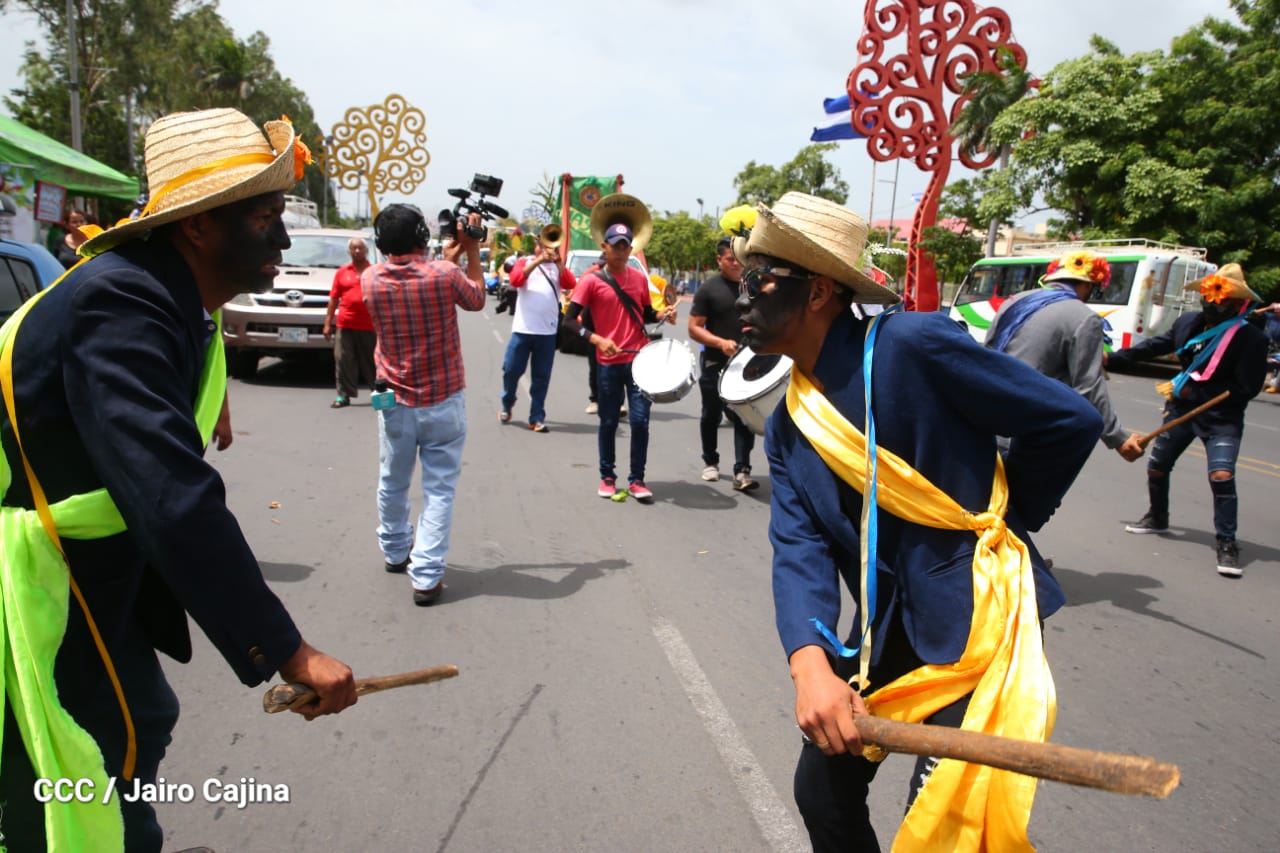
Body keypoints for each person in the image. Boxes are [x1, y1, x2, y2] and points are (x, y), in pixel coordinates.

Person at [0, 107, 357, 852]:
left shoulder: (164, 296)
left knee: (131, 723)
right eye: (264, 218)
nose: (283, 240)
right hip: (49, 574)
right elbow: (171, 494)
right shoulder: (121, 301)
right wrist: (290, 650)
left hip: (93, 561)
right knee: (96, 745)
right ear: (196, 226)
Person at [734, 193, 1101, 851]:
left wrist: (1001, 522)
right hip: (888, 631)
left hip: (978, 614)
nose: (742, 296)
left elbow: (1069, 419)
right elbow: (798, 547)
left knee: (945, 817)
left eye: (759, 279)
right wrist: (810, 665)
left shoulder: (909, 344)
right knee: (821, 790)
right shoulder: (789, 425)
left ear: (817, 291)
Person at [1107, 263, 1267, 577]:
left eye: (1223, 299)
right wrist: (1113, 359)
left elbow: (1247, 387)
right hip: (1181, 410)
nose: (1213, 303)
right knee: (1157, 466)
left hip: (1221, 416)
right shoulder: (1188, 323)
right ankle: (1157, 517)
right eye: (1210, 296)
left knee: (1221, 475)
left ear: (1237, 304)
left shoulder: (1250, 338)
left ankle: (1227, 542)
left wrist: (1199, 394)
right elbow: (1155, 346)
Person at [361, 203, 485, 605]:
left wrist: (450, 255)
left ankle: (395, 551)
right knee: (439, 490)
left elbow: (422, 276)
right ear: (421, 236)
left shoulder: (370, 278)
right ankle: (427, 576)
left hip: (395, 400)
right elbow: (476, 298)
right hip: (443, 398)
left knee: (392, 480)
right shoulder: (444, 274)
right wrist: (471, 250)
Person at [985, 249, 1145, 462]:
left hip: (986, 420)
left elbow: (986, 354)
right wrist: (1119, 438)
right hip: (1028, 434)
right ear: (1087, 285)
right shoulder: (1084, 318)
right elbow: (1088, 387)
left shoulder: (1014, 301)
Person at [563, 221, 675, 502]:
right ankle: (607, 476)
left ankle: (637, 480)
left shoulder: (638, 279)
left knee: (640, 422)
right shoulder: (591, 280)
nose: (621, 251)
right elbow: (569, 321)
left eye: (626, 246)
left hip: (639, 361)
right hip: (608, 362)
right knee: (609, 421)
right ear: (605, 247)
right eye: (616, 246)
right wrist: (597, 339)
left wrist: (663, 314)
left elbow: (645, 313)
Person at [688, 236, 758, 490]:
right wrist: (720, 343)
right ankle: (711, 462)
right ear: (719, 260)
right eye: (730, 259)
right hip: (714, 361)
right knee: (711, 413)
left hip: (747, 363)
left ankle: (742, 470)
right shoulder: (708, 289)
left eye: (740, 258)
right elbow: (694, 328)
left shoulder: (754, 287)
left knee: (744, 416)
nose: (736, 263)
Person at [502, 235, 575, 431]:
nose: (546, 248)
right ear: (536, 246)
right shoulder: (524, 262)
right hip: (522, 330)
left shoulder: (558, 267)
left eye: (550, 245)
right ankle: (508, 401)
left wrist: (558, 263)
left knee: (541, 377)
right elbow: (516, 280)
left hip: (547, 332)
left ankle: (536, 417)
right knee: (511, 370)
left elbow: (570, 283)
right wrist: (538, 261)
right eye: (542, 245)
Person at [322, 236, 376, 408]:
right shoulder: (342, 272)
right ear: (349, 251)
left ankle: (379, 393)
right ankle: (343, 395)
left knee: (372, 361)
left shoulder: (374, 272)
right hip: (345, 323)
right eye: (354, 248)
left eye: (360, 248)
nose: (357, 251)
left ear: (367, 251)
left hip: (369, 325)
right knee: (343, 359)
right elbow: (333, 299)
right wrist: (327, 323)